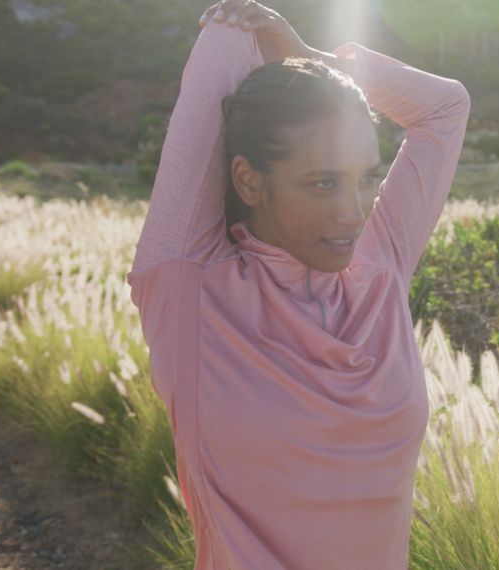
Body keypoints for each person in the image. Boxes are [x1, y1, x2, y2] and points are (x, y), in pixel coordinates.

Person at [125, 0, 469, 567]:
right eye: (322, 183)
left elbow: (445, 108)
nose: (353, 213)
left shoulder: (379, 266)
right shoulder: (190, 289)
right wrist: (274, 45)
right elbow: (229, 31)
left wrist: (314, 61)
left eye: (365, 180)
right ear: (248, 181)